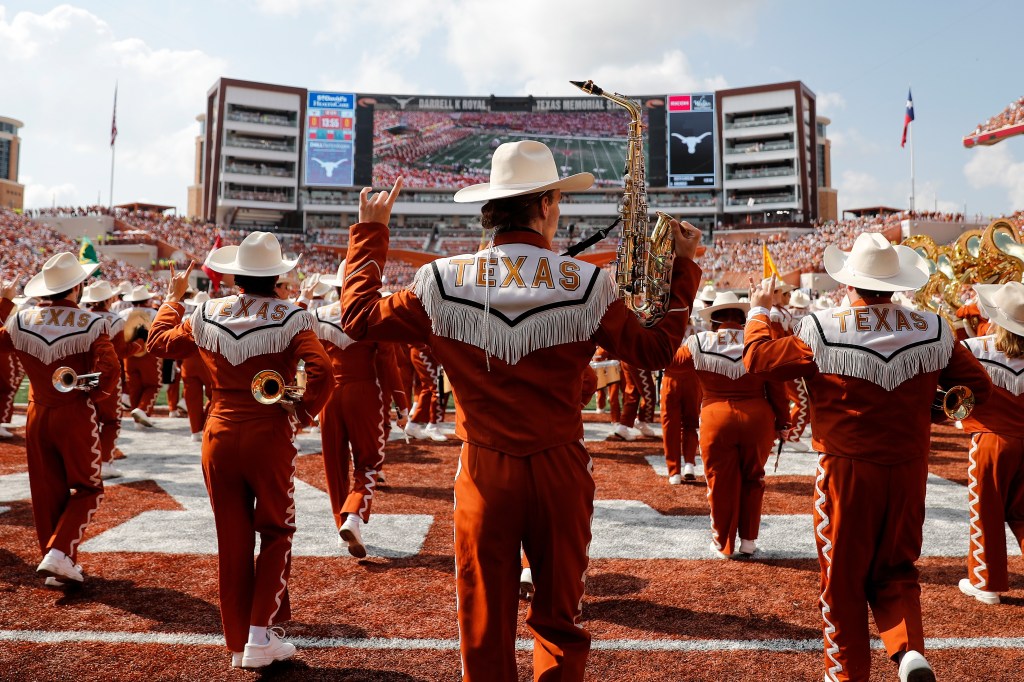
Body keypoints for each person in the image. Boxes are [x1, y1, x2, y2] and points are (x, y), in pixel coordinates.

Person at [340, 140, 703, 681]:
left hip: (485, 470)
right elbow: (653, 352)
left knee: (484, 624)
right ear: (549, 204)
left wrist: (371, 230)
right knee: (559, 621)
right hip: (561, 467)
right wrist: (683, 268)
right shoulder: (589, 283)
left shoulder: (442, 279)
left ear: (491, 207)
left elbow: (359, 317)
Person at [743, 232, 992, 682]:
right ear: (895, 283)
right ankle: (909, 650)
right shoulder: (934, 326)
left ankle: (848, 674)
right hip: (910, 469)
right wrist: (929, 411)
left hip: (846, 470)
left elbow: (759, 359)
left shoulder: (823, 326)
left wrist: (759, 311)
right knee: (898, 570)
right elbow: (978, 389)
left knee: (842, 581)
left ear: (850, 281)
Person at [147, 234, 332, 670]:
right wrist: (303, 412)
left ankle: (238, 642)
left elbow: (158, 343)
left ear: (237, 274)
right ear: (278, 276)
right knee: (276, 531)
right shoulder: (294, 315)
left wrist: (173, 300)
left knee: (231, 539)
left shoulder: (206, 311)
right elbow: (322, 369)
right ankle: (258, 637)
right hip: (268, 433)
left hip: (218, 432)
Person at [0, 255, 120, 587]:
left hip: (37, 414)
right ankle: (60, 553)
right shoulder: (92, 322)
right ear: (78, 286)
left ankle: (57, 563)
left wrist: (4, 304)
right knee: (88, 488)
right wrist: (91, 396)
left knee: (46, 491)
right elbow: (109, 371)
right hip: (75, 412)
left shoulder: (21, 319)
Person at [682, 291, 788, 555]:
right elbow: (777, 388)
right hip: (757, 417)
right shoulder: (760, 342)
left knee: (720, 481)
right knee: (754, 478)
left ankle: (723, 543)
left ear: (714, 320)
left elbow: (669, 363)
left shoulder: (697, 341)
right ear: (742, 320)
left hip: (716, 418)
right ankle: (749, 541)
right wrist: (784, 421)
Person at [313, 261, 388, 557]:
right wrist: (400, 402)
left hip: (329, 395)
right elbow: (386, 363)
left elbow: (313, 362)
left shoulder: (317, 314)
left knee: (334, 466)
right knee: (369, 461)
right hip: (363, 390)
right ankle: (354, 517)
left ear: (334, 286)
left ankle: (342, 522)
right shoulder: (373, 315)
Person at [956, 281, 1024, 606]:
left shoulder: (974, 348)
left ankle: (986, 583)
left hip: (990, 442)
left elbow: (955, 392)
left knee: (986, 511)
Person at [80, 280, 132, 479]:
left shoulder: (82, 317)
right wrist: (138, 346)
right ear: (109, 298)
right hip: (108, 375)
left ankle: (87, 462)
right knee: (111, 421)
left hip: (85, 375)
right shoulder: (115, 319)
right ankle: (104, 463)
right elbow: (121, 351)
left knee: (88, 419)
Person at [119, 285, 160, 427]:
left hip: (129, 355)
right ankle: (142, 409)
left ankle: (138, 420)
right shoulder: (154, 313)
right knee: (153, 385)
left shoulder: (123, 313)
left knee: (133, 386)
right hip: (148, 354)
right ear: (146, 300)